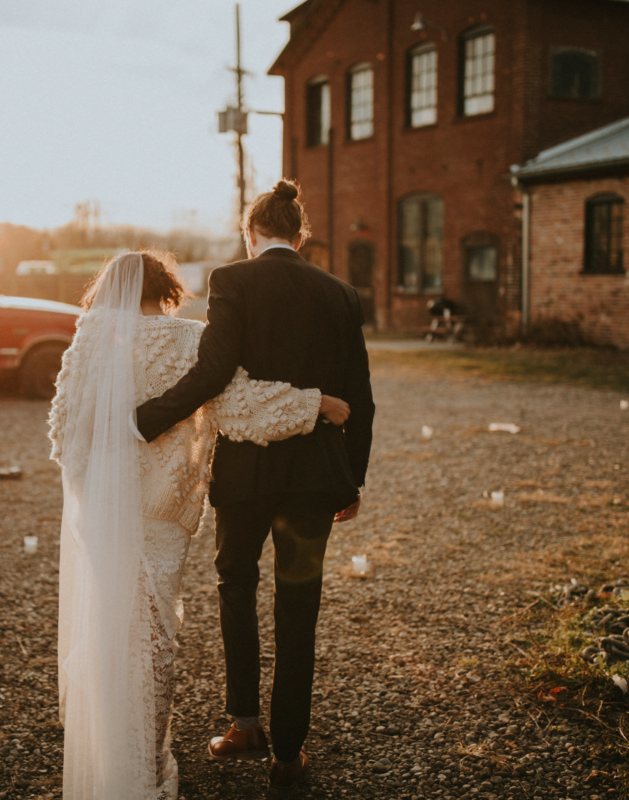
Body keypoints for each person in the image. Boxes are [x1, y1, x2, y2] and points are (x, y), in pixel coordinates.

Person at [47, 250, 350, 800]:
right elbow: (236, 407)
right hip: (161, 513)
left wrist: (99, 485)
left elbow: (64, 429)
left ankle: (113, 756)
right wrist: (313, 404)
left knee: (109, 625)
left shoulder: (87, 338)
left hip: (100, 507)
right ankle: (142, 765)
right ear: (166, 290)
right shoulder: (189, 339)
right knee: (153, 635)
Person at [135, 180, 375, 791]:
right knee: (300, 609)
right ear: (300, 236)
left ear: (251, 234)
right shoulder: (342, 294)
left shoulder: (231, 281)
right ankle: (289, 755)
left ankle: (243, 723)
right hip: (317, 476)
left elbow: (213, 372)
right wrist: (353, 481)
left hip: (245, 473)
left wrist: (144, 420)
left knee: (235, 584)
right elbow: (362, 399)